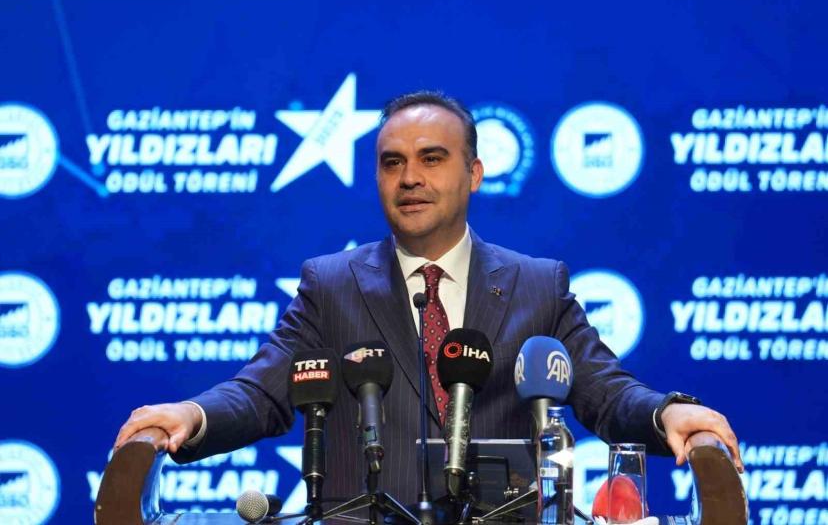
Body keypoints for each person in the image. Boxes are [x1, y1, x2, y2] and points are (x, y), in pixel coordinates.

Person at [115, 91, 742, 502]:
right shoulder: (331, 285)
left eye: (432, 158)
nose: (409, 177)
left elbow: (606, 393)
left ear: (474, 174)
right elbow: (261, 392)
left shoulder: (537, 284)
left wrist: (667, 414)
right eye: (392, 163)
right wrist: (191, 415)